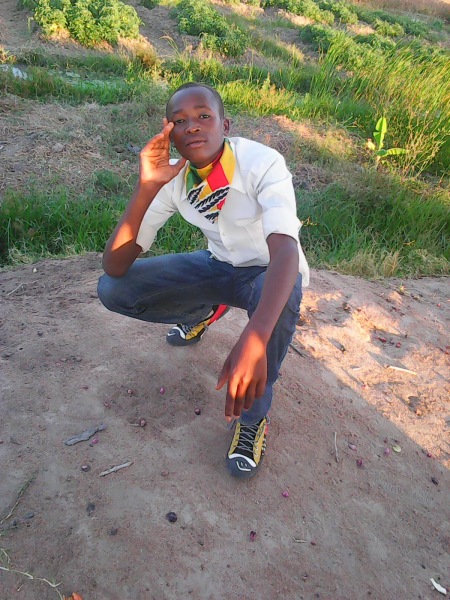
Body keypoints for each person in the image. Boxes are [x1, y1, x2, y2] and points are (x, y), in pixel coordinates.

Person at [97, 82, 309, 479]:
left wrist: (254, 335)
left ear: (225, 125)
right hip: (217, 265)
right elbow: (115, 265)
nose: (191, 126)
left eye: (203, 116)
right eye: (179, 121)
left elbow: (285, 251)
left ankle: (252, 420)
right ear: (168, 133)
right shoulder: (174, 177)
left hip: (268, 273)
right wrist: (146, 188)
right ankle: (203, 311)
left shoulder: (261, 162)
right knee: (113, 290)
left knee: (279, 303)